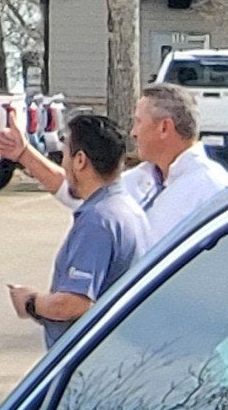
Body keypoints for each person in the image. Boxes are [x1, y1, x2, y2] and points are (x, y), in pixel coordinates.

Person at [7, 81, 228, 253]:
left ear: (164, 128)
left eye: (138, 121)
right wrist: (24, 154)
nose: (133, 132)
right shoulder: (143, 177)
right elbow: (82, 191)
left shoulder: (210, 188)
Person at [10, 112, 145, 348]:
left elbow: (73, 304)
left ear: (80, 160)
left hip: (92, 364)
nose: (63, 163)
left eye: (64, 155)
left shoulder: (98, 220)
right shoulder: (125, 208)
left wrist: (30, 302)